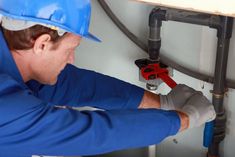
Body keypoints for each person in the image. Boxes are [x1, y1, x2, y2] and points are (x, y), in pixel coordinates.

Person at [0, 0, 216, 157]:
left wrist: (161, 103)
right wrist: (184, 119)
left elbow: (75, 84)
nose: (71, 60)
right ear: (42, 44)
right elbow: (91, 134)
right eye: (70, 50)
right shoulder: (6, 109)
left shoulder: (15, 59)